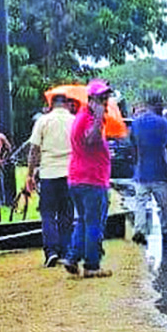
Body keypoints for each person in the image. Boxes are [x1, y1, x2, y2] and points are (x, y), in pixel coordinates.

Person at [62, 79, 114, 278]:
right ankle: (92, 265)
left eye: (106, 97)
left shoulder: (84, 117)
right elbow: (90, 140)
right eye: (101, 98)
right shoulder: (88, 119)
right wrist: (99, 118)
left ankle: (73, 258)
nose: (105, 101)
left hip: (80, 177)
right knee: (94, 223)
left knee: (83, 221)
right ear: (91, 100)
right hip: (91, 179)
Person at [26, 94, 76, 267]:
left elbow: (34, 150)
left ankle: (51, 252)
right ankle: (65, 251)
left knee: (48, 214)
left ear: (51, 104)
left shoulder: (43, 121)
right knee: (66, 214)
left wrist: (30, 174)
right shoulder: (74, 121)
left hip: (48, 173)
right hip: (70, 174)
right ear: (67, 105)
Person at [129, 92, 167, 245]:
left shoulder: (136, 123)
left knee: (141, 203)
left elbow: (133, 146)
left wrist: (136, 164)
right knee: (164, 204)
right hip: (160, 170)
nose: (162, 106)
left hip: (141, 171)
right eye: (161, 104)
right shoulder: (164, 123)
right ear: (156, 104)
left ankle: (139, 230)